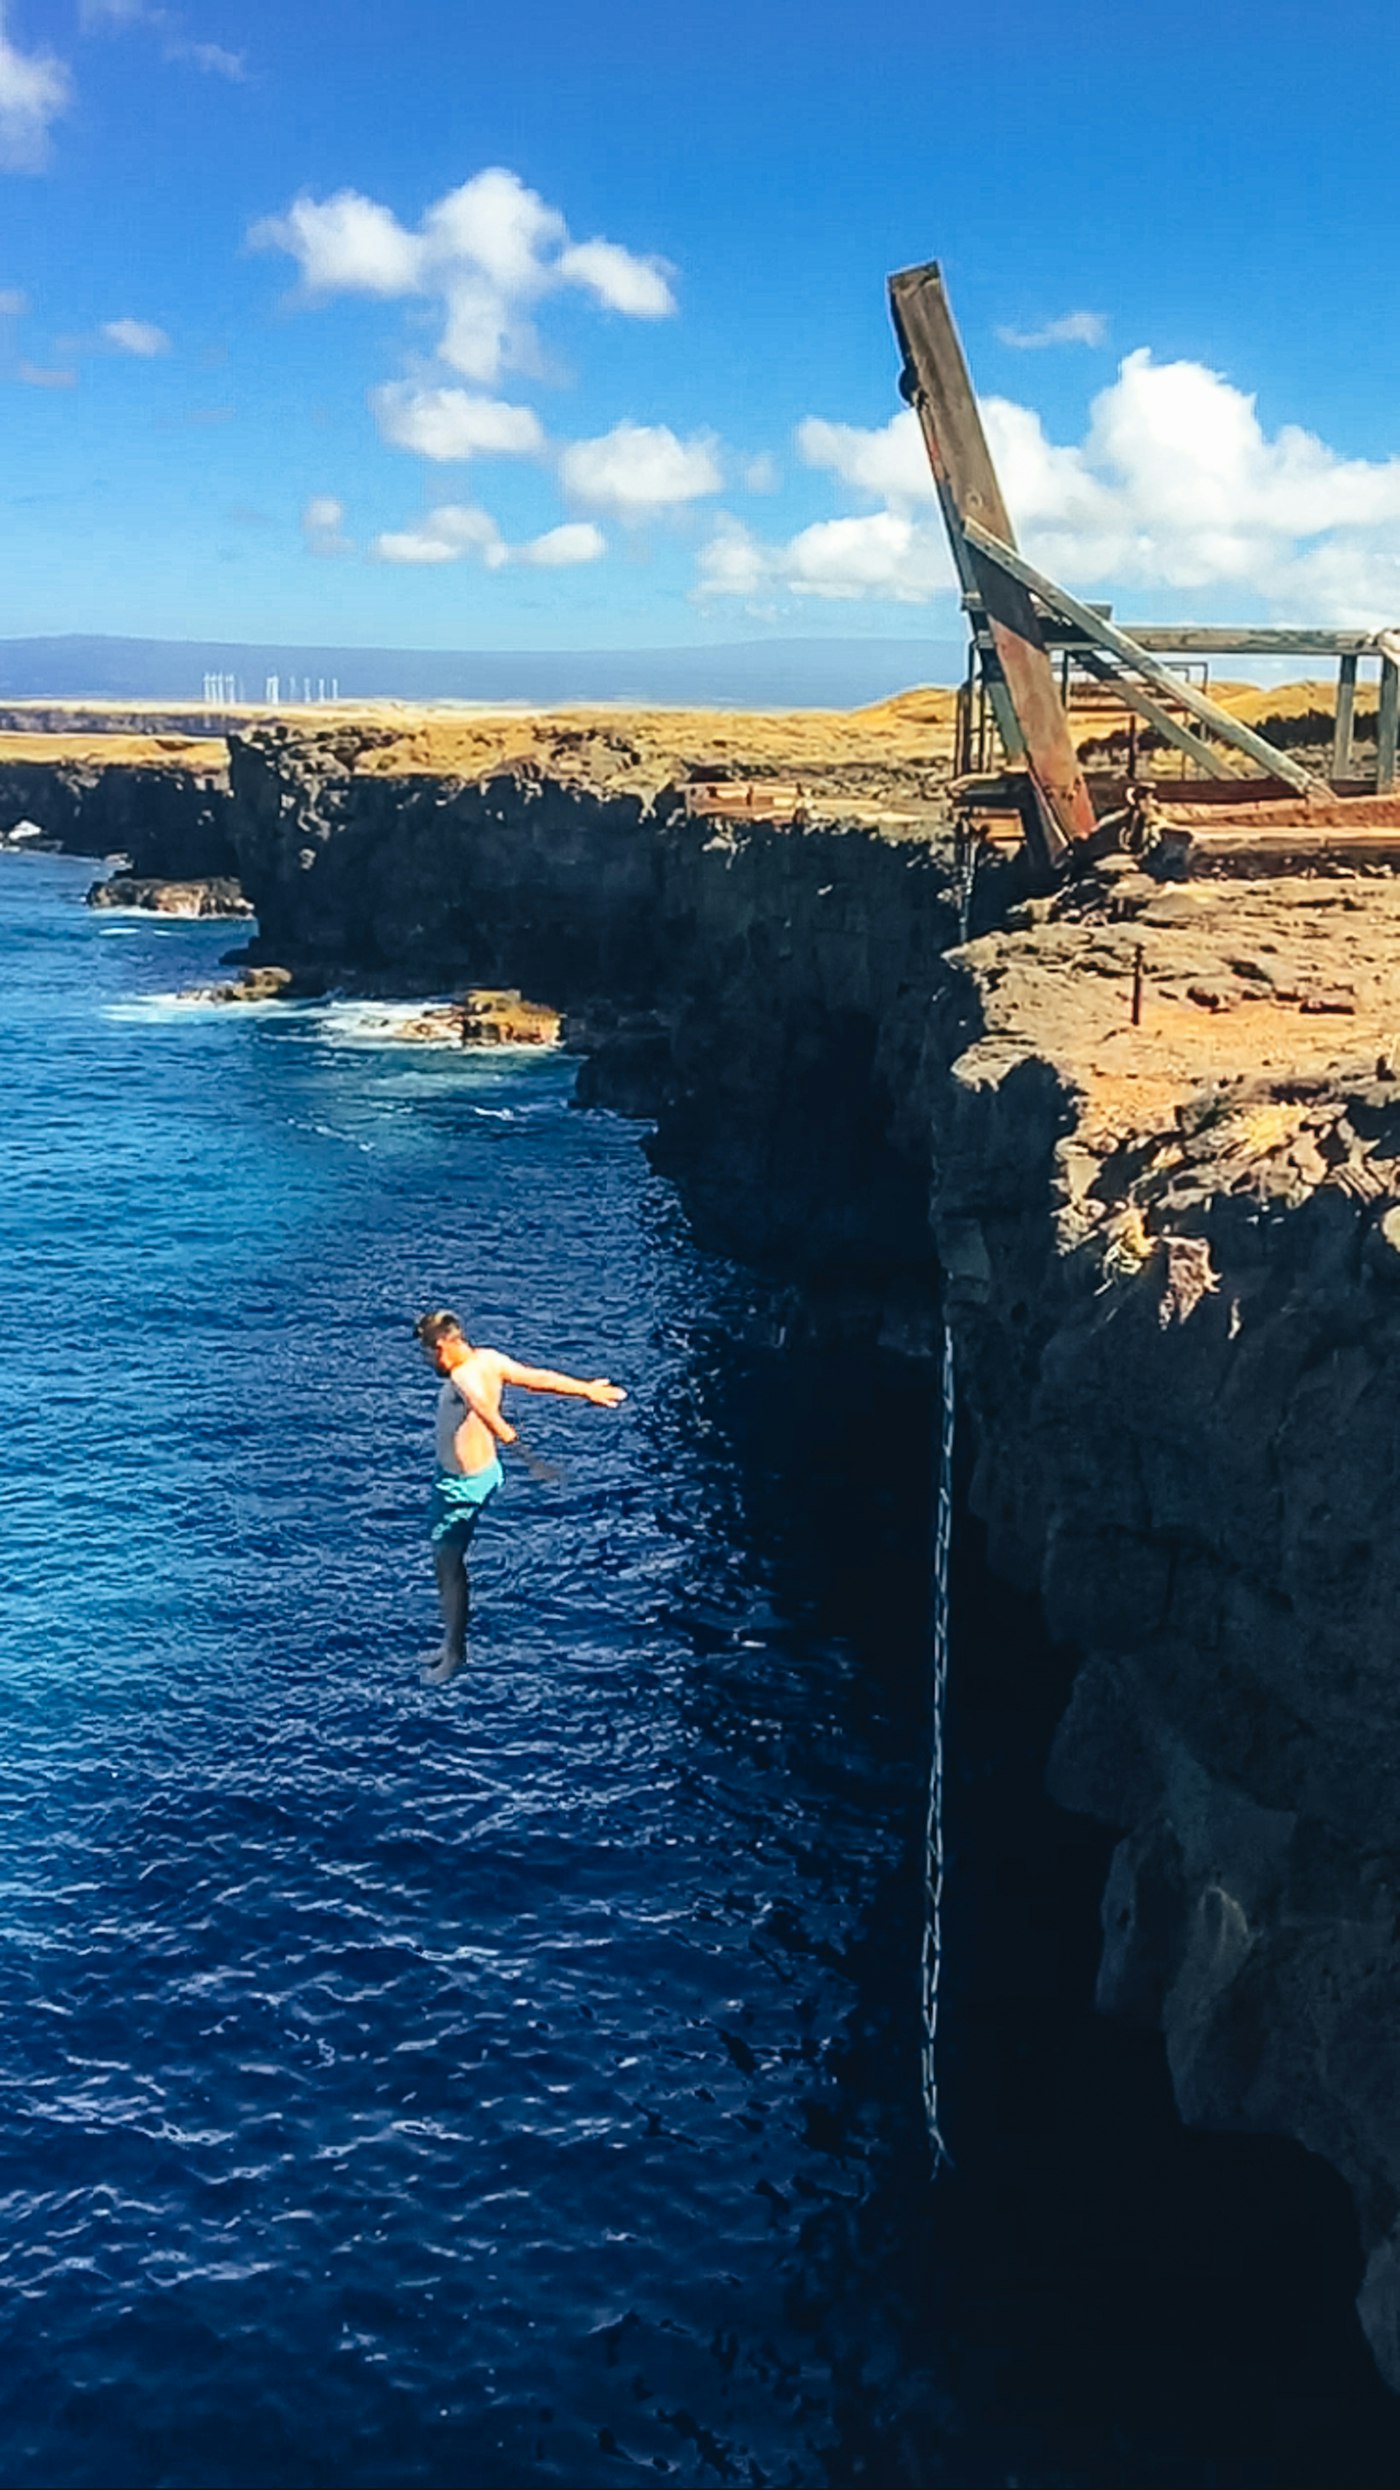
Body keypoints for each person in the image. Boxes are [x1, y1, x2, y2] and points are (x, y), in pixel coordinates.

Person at [413, 1309, 626, 1685]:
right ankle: (451, 1645)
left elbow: (491, 1417)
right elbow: (536, 1378)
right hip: (482, 1474)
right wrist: (586, 1388)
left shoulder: (463, 1377)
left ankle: (454, 1654)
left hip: (459, 1488)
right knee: (450, 1565)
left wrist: (534, 1462)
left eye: (428, 1353)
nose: (427, 1361)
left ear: (444, 1345)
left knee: (448, 1569)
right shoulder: (489, 1360)